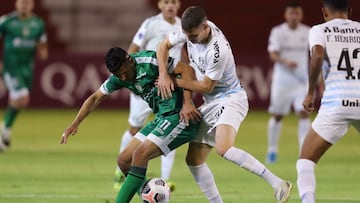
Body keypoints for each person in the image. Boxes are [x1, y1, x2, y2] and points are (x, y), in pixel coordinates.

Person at [157, 6, 293, 203]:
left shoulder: (217, 49)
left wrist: (174, 81)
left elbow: (206, 86)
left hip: (231, 99)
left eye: (193, 36)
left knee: (224, 148)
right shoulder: (189, 31)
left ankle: (278, 183)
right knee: (194, 160)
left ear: (204, 27)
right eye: (187, 36)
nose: (190, 40)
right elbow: (163, 46)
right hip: (212, 102)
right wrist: (163, 74)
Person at [60, 47, 203, 203]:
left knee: (139, 155)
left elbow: (187, 70)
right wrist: (75, 123)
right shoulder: (120, 77)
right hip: (161, 118)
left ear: (129, 60)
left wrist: (187, 102)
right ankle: (153, 197)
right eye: (118, 75)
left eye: (123, 72)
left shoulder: (149, 61)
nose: (123, 77)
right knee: (124, 161)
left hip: (179, 116)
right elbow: (95, 98)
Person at [114, 0, 183, 191]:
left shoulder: (182, 26)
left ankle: (165, 179)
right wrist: (132, 79)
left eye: (174, 1)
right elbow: (133, 49)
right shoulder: (150, 24)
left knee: (171, 127)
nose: (170, 5)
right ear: (160, 5)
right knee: (134, 128)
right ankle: (120, 173)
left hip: (168, 86)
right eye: (166, 2)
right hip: (146, 83)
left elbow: (182, 55)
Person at [296, 0, 360, 202]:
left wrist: (310, 92)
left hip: (337, 103)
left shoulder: (319, 30)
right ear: (349, 11)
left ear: (324, 12)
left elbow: (317, 56)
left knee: (305, 160)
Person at [266, 1, 310, 163]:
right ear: (286, 15)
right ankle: (272, 150)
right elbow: (273, 54)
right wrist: (285, 61)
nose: (293, 17)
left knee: (303, 112)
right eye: (291, 13)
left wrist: (318, 77)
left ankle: (303, 151)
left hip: (302, 80)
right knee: (277, 115)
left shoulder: (308, 32)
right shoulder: (278, 32)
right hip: (282, 80)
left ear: (301, 15)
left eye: (296, 13)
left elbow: (316, 55)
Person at [0, 0, 48, 152]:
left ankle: (5, 126)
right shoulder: (6, 22)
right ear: (16, 4)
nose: (24, 5)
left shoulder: (38, 23)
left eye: (27, 2)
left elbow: (42, 43)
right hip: (10, 67)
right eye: (21, 2)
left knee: (20, 101)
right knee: (22, 97)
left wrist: (42, 50)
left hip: (27, 68)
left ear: (32, 5)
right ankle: (5, 130)